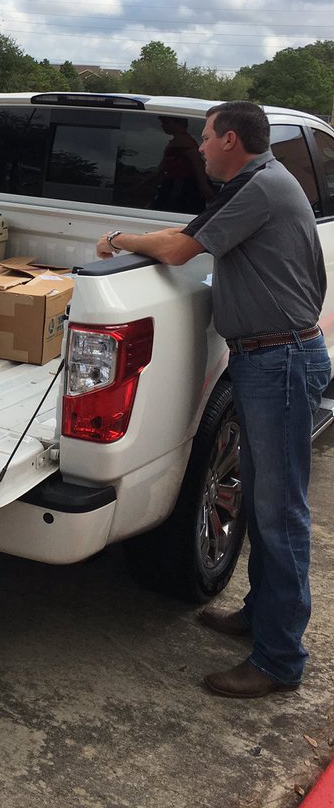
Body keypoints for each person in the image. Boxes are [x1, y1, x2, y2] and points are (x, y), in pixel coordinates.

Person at [96, 101, 330, 698]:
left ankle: (279, 660)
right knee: (263, 500)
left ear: (230, 139)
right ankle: (260, 614)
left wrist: (118, 240)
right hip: (270, 358)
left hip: (277, 361)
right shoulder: (261, 181)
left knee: (280, 516)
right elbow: (194, 239)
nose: (199, 148)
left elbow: (179, 249)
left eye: (204, 138)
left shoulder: (261, 187)